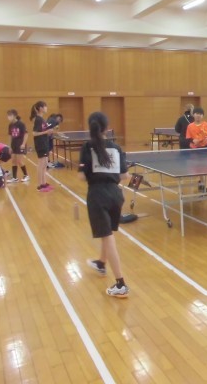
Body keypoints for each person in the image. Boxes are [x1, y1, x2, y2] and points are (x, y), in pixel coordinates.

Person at [78, 111, 130, 298]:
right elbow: (124, 176)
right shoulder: (116, 148)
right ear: (107, 128)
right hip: (116, 195)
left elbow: (81, 176)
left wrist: (94, 174)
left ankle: (121, 284)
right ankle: (101, 263)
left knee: (107, 236)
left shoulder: (87, 147)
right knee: (107, 232)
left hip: (97, 195)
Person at [186, 107, 207, 192]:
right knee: (198, 167)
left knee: (204, 167)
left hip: (205, 149)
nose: (198, 116)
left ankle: (203, 184)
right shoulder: (190, 126)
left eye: (200, 114)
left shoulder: (206, 124)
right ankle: (201, 182)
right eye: (197, 114)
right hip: (195, 149)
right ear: (193, 115)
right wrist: (193, 141)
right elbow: (188, 138)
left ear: (203, 116)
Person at [30, 101, 55, 192]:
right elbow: (34, 133)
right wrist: (46, 132)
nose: (46, 108)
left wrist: (48, 132)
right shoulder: (38, 119)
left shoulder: (42, 119)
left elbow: (43, 131)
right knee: (41, 164)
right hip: (40, 144)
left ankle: (44, 183)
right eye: (45, 106)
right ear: (40, 108)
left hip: (44, 143)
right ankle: (39, 185)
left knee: (45, 164)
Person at [7, 109, 30, 183]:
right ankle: (14, 177)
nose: (8, 117)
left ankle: (26, 175)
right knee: (13, 161)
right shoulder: (10, 125)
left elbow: (26, 134)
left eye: (10, 115)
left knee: (19, 161)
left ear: (14, 116)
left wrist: (23, 144)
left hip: (20, 144)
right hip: (13, 144)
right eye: (8, 115)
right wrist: (9, 146)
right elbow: (10, 135)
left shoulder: (21, 124)